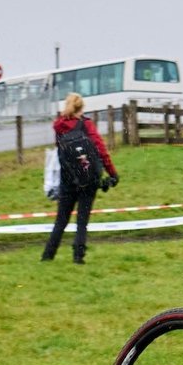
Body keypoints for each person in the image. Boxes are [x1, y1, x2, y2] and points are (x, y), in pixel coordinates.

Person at [42, 93, 118, 263]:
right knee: (82, 220)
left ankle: (48, 255)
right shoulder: (86, 125)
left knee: (61, 220)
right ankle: (78, 256)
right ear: (82, 108)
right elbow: (100, 149)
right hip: (88, 177)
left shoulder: (59, 126)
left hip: (67, 178)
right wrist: (112, 172)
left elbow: (62, 152)